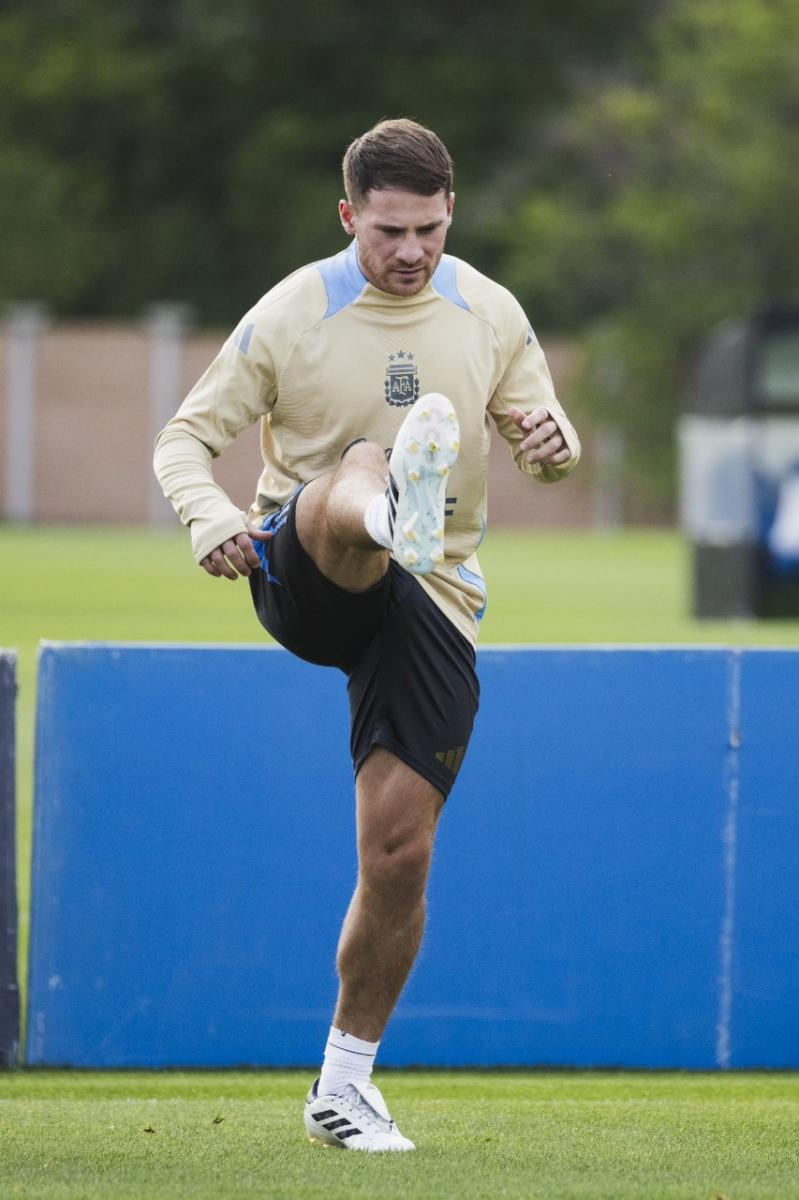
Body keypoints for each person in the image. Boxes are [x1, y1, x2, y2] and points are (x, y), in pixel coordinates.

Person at [154, 117, 580, 1152]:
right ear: (349, 217)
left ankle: (344, 1088)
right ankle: (387, 502)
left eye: (429, 229)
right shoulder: (293, 313)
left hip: (432, 596)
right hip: (304, 566)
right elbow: (185, 438)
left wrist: (555, 446)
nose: (411, 251)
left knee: (399, 854)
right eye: (389, 230)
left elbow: (546, 449)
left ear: (450, 216)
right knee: (356, 462)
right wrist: (212, 522)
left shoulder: (489, 312)